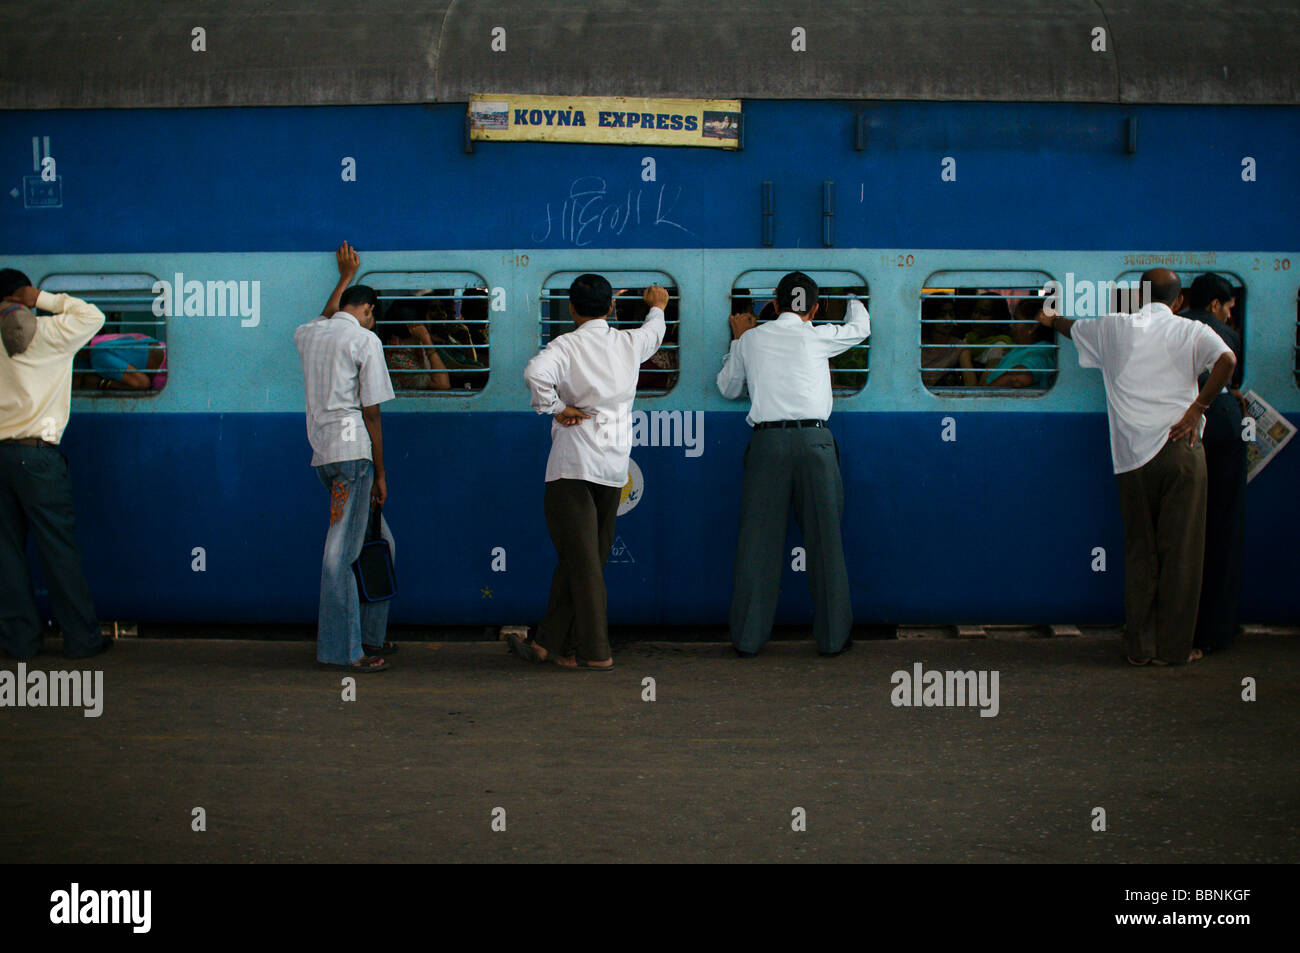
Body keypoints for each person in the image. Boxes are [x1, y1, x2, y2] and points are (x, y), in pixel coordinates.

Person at [1039, 268, 1235, 666]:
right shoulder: (1191, 331)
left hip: (1132, 458)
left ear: (1137, 295)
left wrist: (1048, 319)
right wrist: (1198, 408)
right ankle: (1173, 651)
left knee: (1140, 552)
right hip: (1183, 450)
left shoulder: (1113, 329)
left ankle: (1139, 649)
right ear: (1179, 302)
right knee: (1181, 553)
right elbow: (1227, 360)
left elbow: (1070, 326)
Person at [510, 275, 668, 671]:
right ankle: (548, 643)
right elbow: (655, 332)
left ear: (572, 309)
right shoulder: (629, 343)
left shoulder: (566, 345)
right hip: (613, 469)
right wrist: (657, 306)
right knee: (583, 558)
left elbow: (535, 375)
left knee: (581, 562)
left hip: (573, 467)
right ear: (611, 308)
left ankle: (596, 651)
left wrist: (555, 407)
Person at [716, 271, 869, 657]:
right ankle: (834, 639)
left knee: (758, 544)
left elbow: (729, 388)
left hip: (768, 444)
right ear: (814, 308)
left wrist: (737, 340)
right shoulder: (818, 335)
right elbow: (861, 327)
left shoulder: (751, 339)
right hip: (815, 443)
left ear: (775, 304)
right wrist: (852, 296)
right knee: (826, 542)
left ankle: (748, 639)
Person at [294, 243, 397, 672]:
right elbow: (371, 412)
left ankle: (370, 637)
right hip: (356, 457)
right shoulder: (365, 339)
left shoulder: (309, 333)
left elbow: (327, 314)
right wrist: (382, 474)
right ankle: (343, 650)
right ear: (370, 311)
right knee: (341, 553)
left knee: (381, 542)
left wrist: (343, 277)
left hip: (325, 456)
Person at [0, 269, 112, 659]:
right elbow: (92, 316)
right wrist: (44, 299)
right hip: (37, 457)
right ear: (25, 294)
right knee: (58, 550)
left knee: (6, 554)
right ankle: (81, 640)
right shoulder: (49, 334)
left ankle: (20, 642)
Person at [1182, 273, 1247, 653]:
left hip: (1175, 429)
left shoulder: (1172, 327)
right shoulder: (1220, 332)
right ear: (1214, 306)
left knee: (1183, 529)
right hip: (1219, 425)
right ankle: (1217, 628)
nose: (1228, 316)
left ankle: (1180, 625)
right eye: (1227, 309)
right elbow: (1223, 367)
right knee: (1224, 527)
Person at [962, 298, 1056, 388]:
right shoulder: (1019, 349)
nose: (1011, 325)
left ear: (1032, 327)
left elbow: (1019, 378)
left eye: (1016, 320)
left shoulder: (1042, 350)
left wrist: (986, 395)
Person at [86, 332, 167, 390]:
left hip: (165, 374)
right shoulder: (102, 340)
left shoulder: (98, 356)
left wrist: (102, 383)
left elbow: (143, 383)